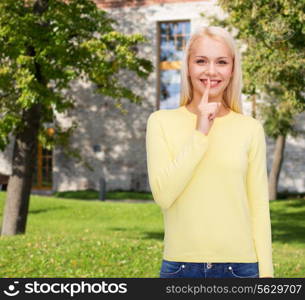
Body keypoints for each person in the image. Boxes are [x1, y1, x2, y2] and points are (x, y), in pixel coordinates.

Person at [145, 26, 274, 278]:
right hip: (180, 268)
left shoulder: (250, 128)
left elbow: (259, 209)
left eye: (222, 62)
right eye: (201, 61)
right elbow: (163, 195)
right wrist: (200, 132)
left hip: (240, 269)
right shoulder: (160, 122)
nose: (211, 71)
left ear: (233, 69)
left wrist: (267, 276)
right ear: (188, 67)